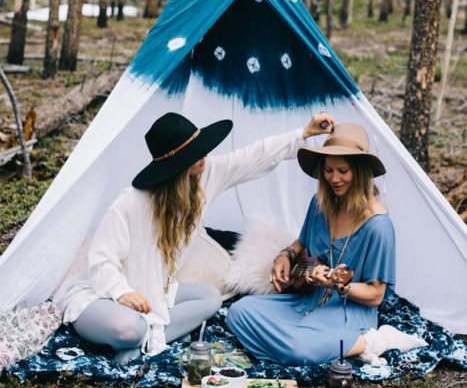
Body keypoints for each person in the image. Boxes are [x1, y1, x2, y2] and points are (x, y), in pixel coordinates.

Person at [54, 110, 331, 364]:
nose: (205, 156)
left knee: (210, 298)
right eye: (195, 153)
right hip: (102, 296)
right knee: (129, 329)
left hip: (155, 294)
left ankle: (144, 342)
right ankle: (140, 338)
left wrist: (303, 134)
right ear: (176, 164)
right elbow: (101, 259)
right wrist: (122, 292)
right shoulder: (130, 203)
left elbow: (251, 156)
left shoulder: (204, 175)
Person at [226, 121, 406, 366]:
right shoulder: (320, 204)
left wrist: (337, 284)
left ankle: (371, 341)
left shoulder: (378, 226)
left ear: (360, 172)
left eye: (343, 171)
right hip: (310, 298)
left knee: (300, 349)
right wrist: (284, 256)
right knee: (239, 312)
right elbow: (301, 242)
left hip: (347, 311)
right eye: (329, 170)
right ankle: (300, 347)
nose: (334, 178)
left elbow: (376, 295)